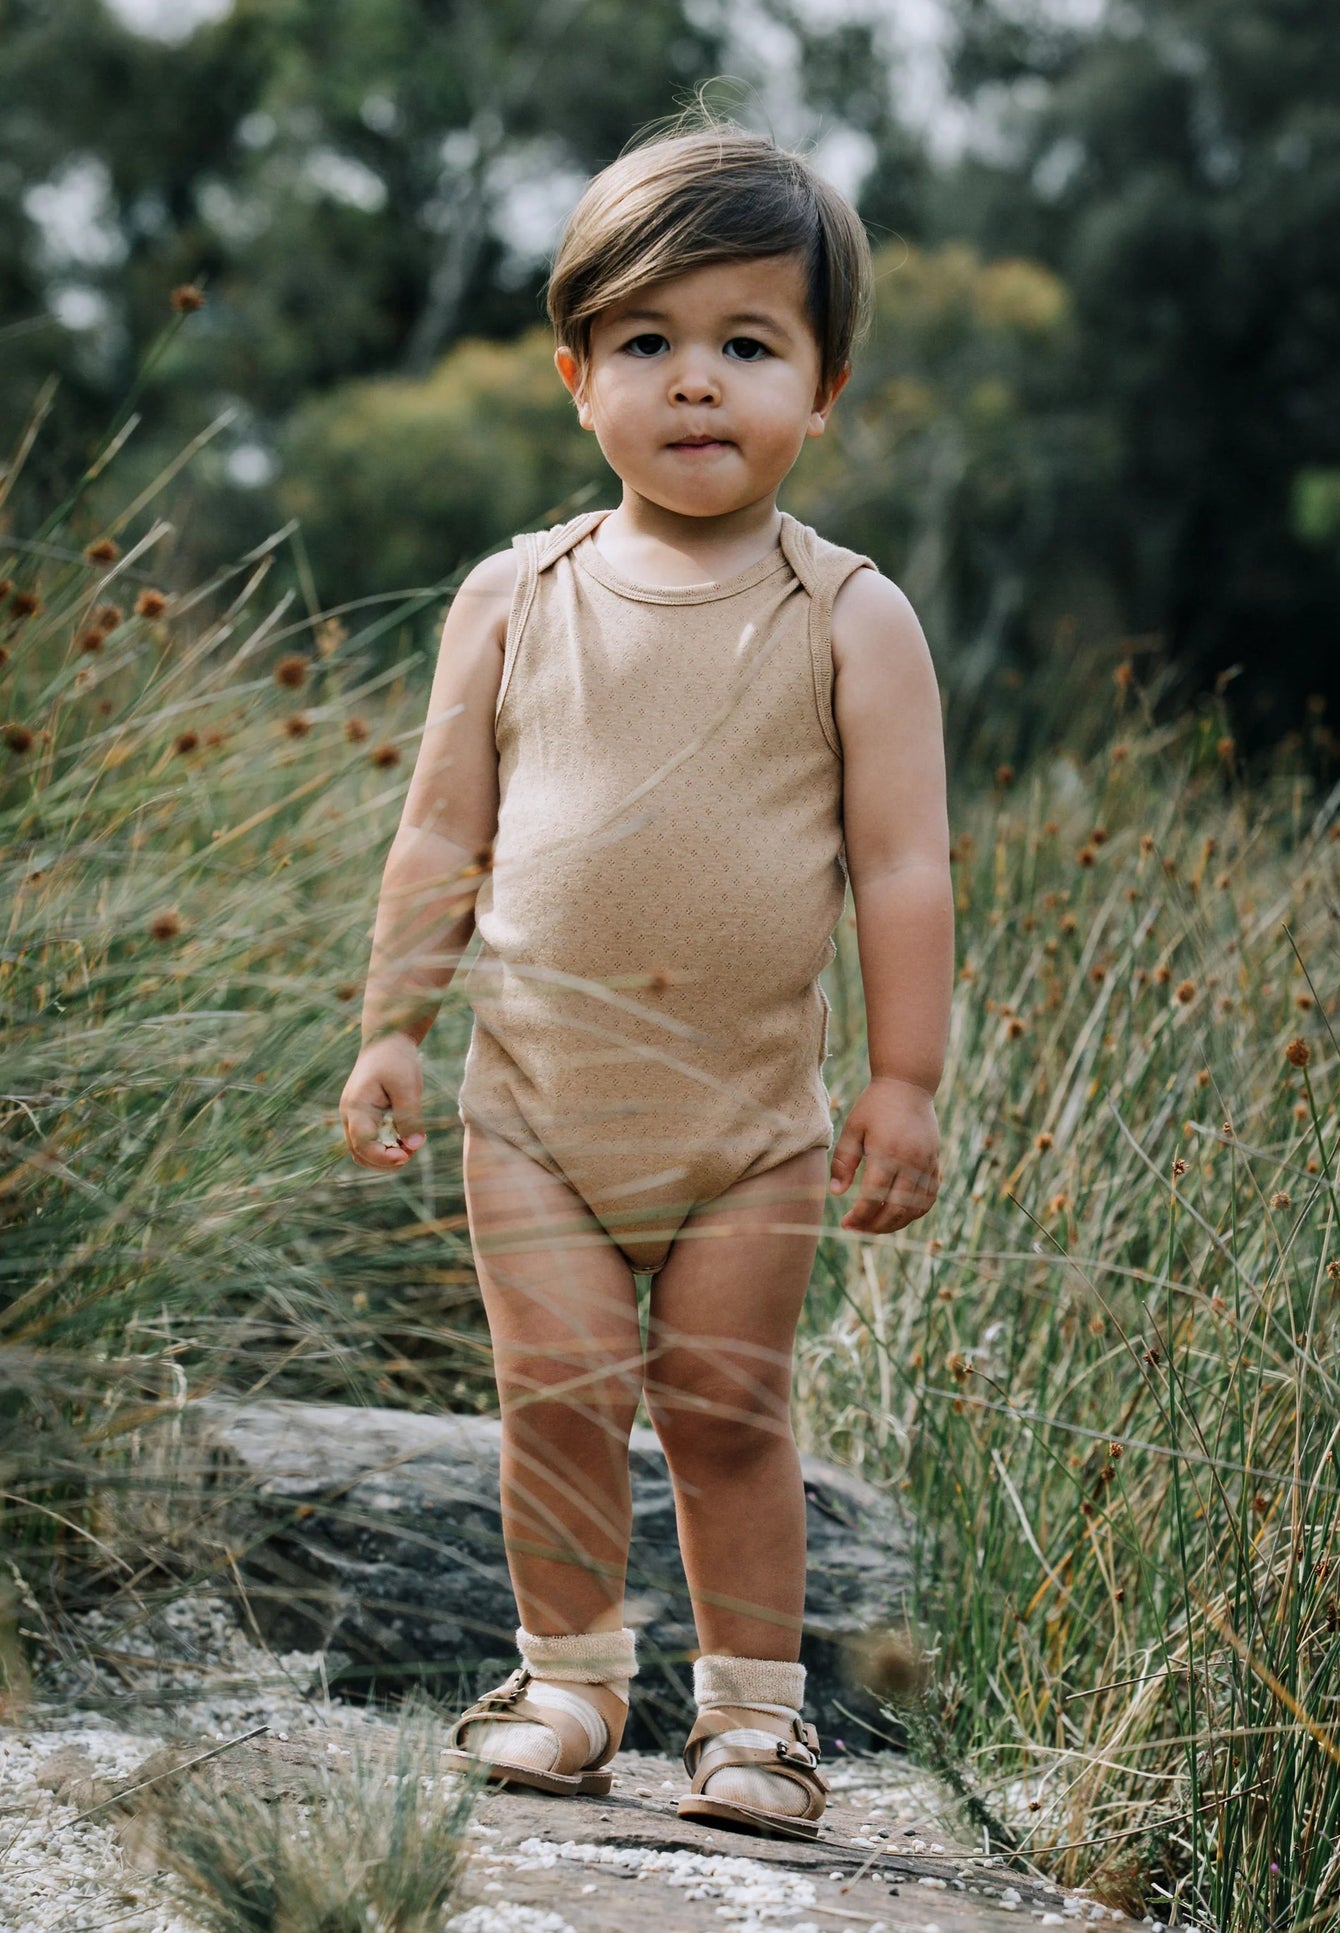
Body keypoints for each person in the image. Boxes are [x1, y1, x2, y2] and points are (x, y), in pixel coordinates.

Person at [338, 104, 954, 1842]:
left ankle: (753, 1722)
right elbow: (438, 828)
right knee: (556, 1396)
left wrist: (903, 1082)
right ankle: (568, 1681)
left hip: (747, 1123)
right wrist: (390, 1024)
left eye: (746, 344)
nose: (697, 383)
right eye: (648, 343)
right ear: (573, 377)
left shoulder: (847, 614)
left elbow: (904, 865)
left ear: (819, 389)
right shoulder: (512, 595)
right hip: (530, 1107)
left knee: (727, 1406)